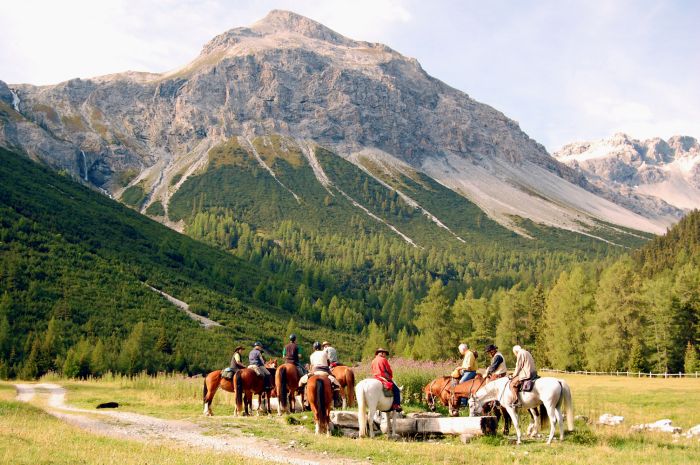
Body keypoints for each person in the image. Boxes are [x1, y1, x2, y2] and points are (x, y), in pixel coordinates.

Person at [370, 347, 401, 412]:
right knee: (397, 390)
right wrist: (390, 375)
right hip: (383, 377)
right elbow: (388, 369)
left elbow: (372, 370)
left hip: (375, 377)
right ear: (381, 353)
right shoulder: (383, 360)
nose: (385, 355)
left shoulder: (373, 361)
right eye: (385, 353)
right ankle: (396, 405)